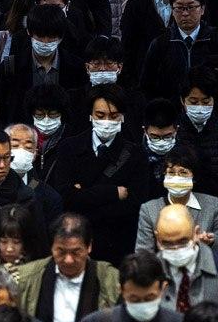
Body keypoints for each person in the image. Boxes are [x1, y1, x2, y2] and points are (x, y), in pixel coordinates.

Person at [52, 84, 147, 263]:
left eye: (114, 116)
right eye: (100, 115)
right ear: (91, 115)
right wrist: (112, 192)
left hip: (118, 244)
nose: (107, 121)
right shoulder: (69, 147)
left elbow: (134, 204)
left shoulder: (135, 154)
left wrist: (83, 195)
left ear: (122, 117)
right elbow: (65, 196)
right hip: (77, 241)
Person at [152, 204, 218, 318]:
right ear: (157, 238)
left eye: (183, 241)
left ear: (196, 233)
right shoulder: (149, 271)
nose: (176, 249)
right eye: (167, 243)